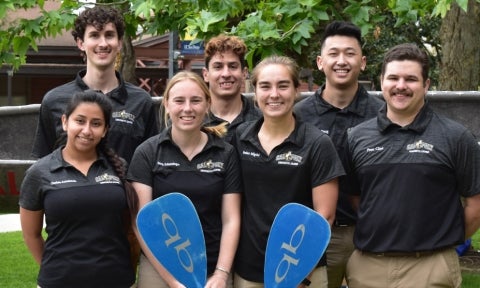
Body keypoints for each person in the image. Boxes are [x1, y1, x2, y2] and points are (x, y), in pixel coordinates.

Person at [345, 43, 480, 288]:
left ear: (426, 85)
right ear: (382, 81)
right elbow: (356, 198)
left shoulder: (455, 137)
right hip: (368, 268)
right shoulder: (357, 137)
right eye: (393, 77)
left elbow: (475, 204)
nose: (401, 86)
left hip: (431, 267)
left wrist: (445, 240)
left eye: (411, 79)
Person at [233, 55, 345, 288]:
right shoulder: (239, 139)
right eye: (265, 86)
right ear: (255, 92)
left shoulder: (317, 143)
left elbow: (324, 217)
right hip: (249, 272)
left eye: (283, 85)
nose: (274, 94)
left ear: (296, 90)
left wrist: (299, 275)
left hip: (302, 273)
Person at [127, 71, 242, 288]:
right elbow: (141, 223)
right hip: (159, 267)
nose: (187, 108)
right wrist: (172, 281)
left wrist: (220, 274)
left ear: (207, 104)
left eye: (196, 100)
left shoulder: (225, 153)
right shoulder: (148, 152)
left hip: (213, 265)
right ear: (167, 105)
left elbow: (231, 219)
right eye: (179, 101)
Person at [293, 21, 383, 288]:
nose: (341, 61)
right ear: (321, 62)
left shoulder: (383, 115)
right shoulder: (298, 116)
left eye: (350, 53)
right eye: (333, 54)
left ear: (363, 62)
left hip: (369, 234)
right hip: (317, 232)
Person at [19, 91, 136, 288]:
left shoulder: (120, 168)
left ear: (106, 130)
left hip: (117, 280)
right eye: (80, 121)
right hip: (59, 282)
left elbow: (129, 226)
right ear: (65, 122)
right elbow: (31, 235)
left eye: (96, 123)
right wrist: (56, 270)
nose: (87, 130)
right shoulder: (39, 172)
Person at [32, 5, 159, 164]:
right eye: (94, 35)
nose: (103, 43)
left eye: (109, 35)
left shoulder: (141, 101)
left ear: (119, 43)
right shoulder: (54, 100)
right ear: (81, 43)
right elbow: (42, 165)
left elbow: (150, 165)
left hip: (124, 189)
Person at [202, 34, 262, 143]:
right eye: (218, 67)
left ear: (244, 73)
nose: (226, 74)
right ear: (206, 74)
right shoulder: (193, 121)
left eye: (233, 66)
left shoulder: (262, 121)